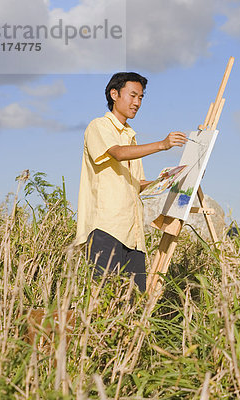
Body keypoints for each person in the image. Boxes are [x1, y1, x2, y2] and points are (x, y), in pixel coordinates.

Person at [75, 72, 187, 292]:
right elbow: (117, 153)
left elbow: (138, 183)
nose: (137, 103)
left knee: (134, 303)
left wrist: (166, 181)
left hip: (133, 235)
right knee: (104, 303)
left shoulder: (130, 136)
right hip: (106, 229)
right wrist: (162, 145)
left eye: (141, 98)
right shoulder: (99, 126)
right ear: (114, 94)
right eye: (133, 96)